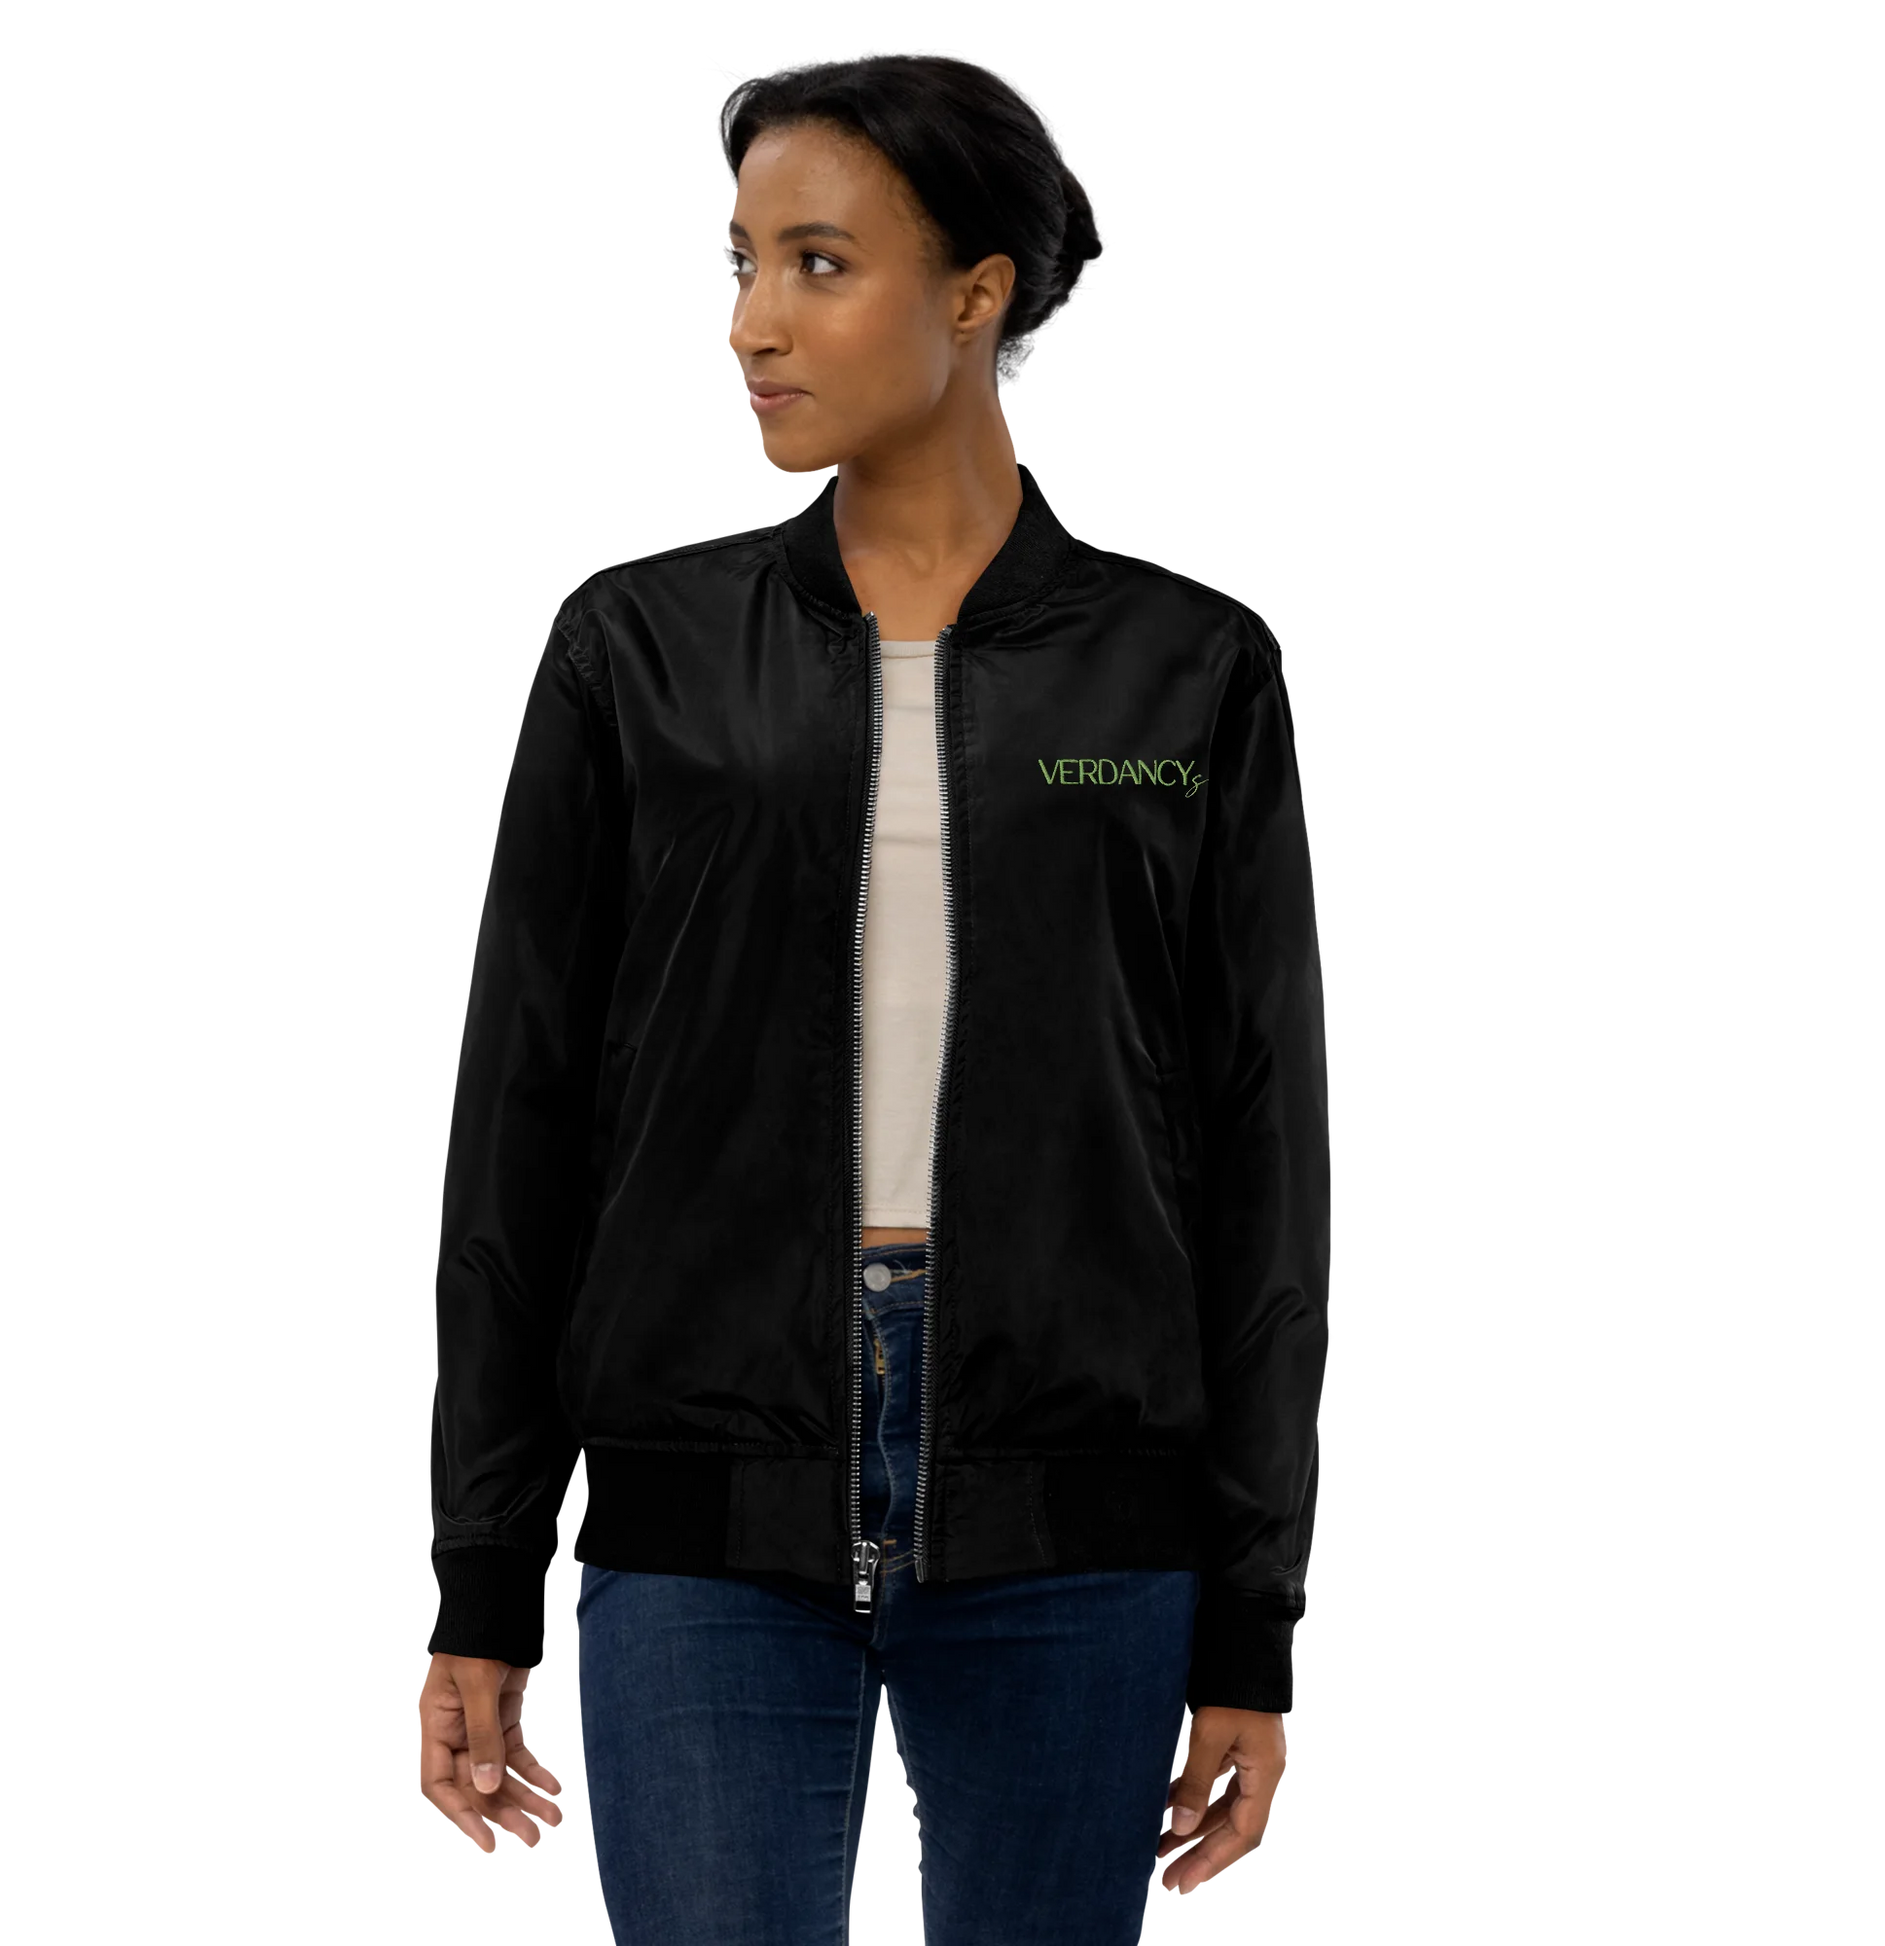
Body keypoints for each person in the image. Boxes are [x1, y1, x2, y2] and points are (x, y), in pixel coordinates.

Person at [415, 45, 1332, 1943]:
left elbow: (1268, 1167)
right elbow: (515, 1132)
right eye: (738, 263)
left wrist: (1254, 1619)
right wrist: (480, 1578)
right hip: (697, 1512)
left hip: (1079, 1523)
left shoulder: (1185, 667)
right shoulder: (633, 647)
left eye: (818, 263)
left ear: (977, 289)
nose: (752, 321)